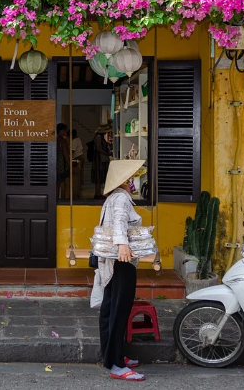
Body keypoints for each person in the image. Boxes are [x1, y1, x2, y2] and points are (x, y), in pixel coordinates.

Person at [94, 159, 147, 381]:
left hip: (112, 260)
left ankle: (111, 356)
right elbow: (118, 223)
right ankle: (117, 364)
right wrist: (123, 246)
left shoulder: (113, 197)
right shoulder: (122, 199)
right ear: (126, 180)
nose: (136, 179)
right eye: (133, 176)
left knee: (109, 308)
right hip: (121, 259)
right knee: (119, 310)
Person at [92, 123, 112, 199]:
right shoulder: (98, 137)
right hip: (99, 159)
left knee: (99, 176)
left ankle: (98, 193)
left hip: (100, 158)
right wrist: (107, 153)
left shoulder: (100, 137)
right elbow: (98, 148)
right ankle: (97, 193)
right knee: (98, 176)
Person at [56, 123, 70, 197]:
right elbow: (66, 154)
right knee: (66, 184)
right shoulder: (63, 141)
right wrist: (69, 164)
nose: (65, 132)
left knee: (56, 186)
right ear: (60, 131)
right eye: (64, 131)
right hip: (62, 166)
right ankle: (65, 201)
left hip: (55, 165)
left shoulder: (54, 139)